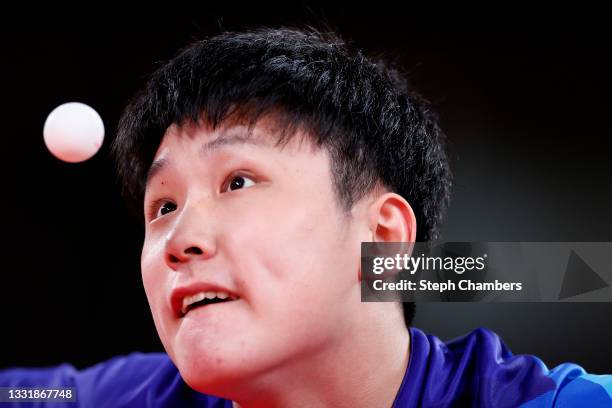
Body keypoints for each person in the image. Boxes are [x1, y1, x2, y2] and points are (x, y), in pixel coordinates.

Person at [1, 27, 610, 408]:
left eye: (237, 181)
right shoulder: (120, 399)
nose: (177, 240)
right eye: (162, 206)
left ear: (384, 235)